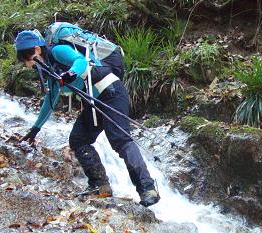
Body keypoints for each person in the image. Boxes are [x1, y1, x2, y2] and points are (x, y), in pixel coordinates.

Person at [14, 28, 160, 207]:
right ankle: (100, 185)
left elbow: (80, 60)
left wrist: (71, 73)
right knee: (78, 139)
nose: (27, 65)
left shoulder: (57, 51)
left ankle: (147, 188)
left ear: (36, 50)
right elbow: (50, 100)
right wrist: (35, 129)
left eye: (25, 59)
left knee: (120, 140)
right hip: (93, 100)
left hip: (111, 91)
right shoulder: (50, 69)